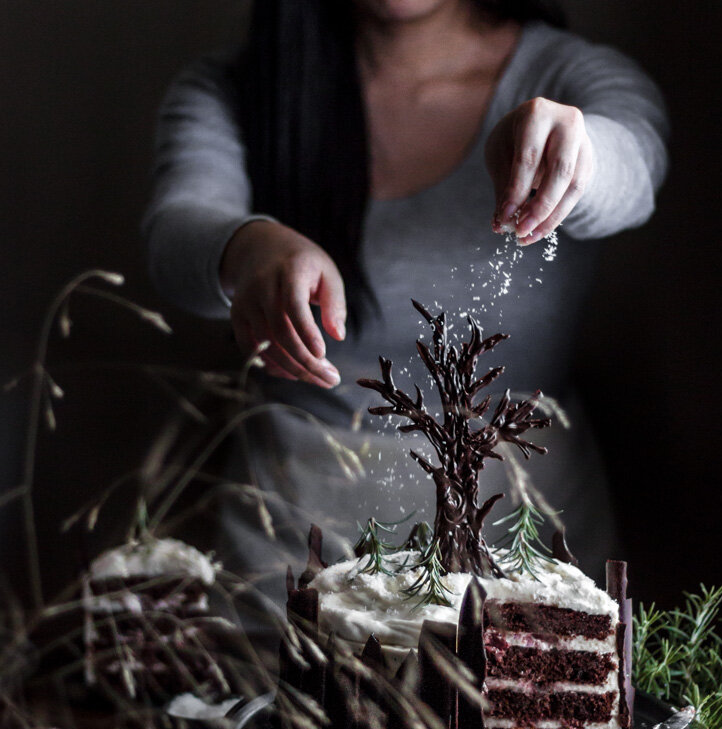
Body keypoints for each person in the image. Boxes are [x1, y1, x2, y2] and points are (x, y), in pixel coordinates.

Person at [143, 0, 668, 611]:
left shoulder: (567, 76)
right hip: (290, 544)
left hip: (521, 547)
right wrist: (247, 247)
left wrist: (577, 155)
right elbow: (176, 231)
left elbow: (635, 169)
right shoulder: (238, 88)